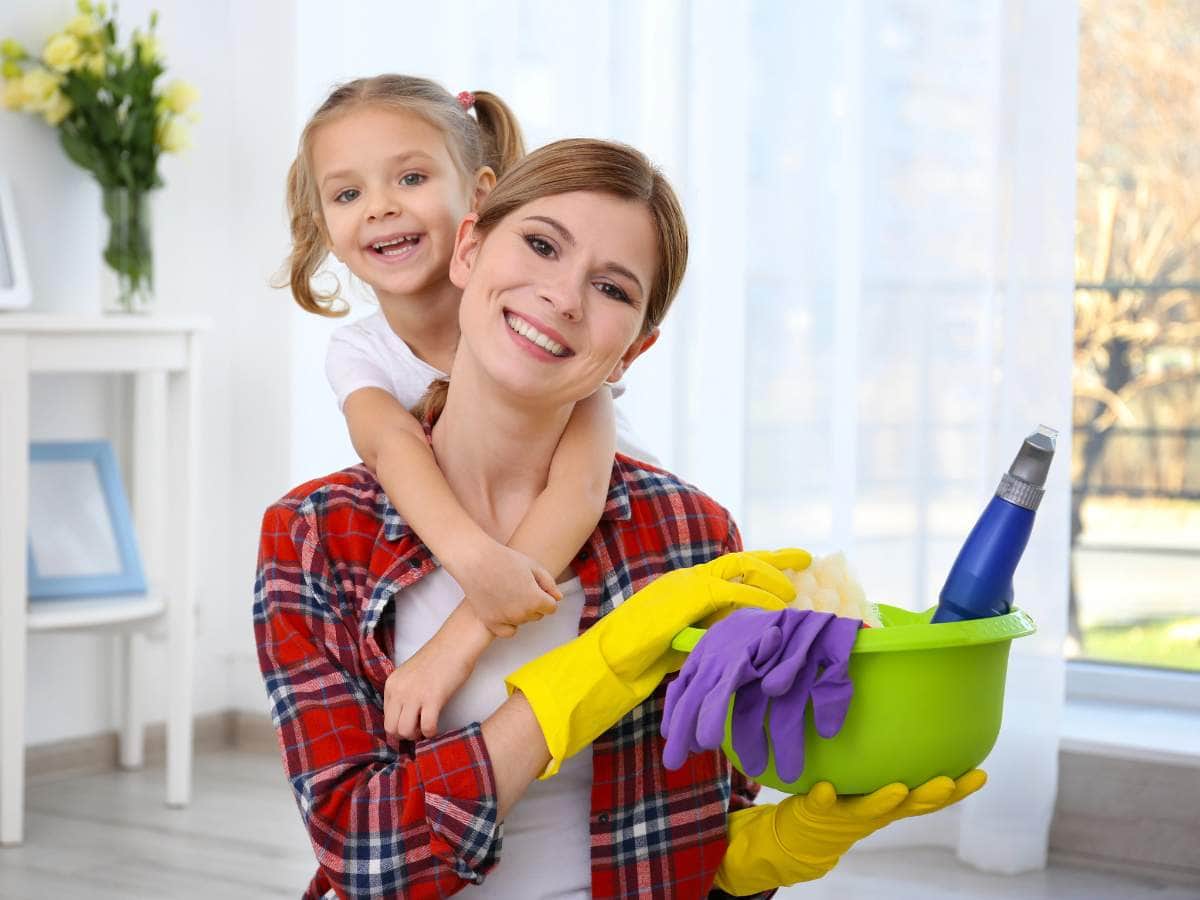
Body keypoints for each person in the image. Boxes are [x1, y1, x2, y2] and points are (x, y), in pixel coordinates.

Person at [256, 138, 981, 899]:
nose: (564, 297)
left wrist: (769, 853)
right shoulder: (315, 536)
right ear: (468, 247)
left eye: (611, 288)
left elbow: (691, 838)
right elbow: (368, 859)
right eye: (540, 245)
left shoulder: (691, 540)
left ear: (633, 350)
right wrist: (584, 678)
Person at [281, 75, 654, 740]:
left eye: (411, 179)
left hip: (592, 540)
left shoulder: (530, 322)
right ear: (322, 227)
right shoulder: (358, 352)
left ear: (478, 201)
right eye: (347, 193)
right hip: (482, 552)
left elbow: (581, 487)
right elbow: (390, 445)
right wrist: (476, 563)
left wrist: (465, 632)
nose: (379, 208)